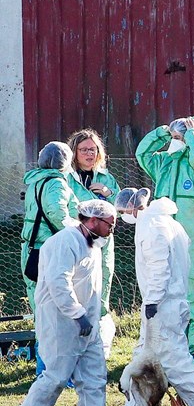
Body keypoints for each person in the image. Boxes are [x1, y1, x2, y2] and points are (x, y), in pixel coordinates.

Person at [2, 200, 130, 406]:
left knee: (94, 378)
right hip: (61, 322)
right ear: (93, 220)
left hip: (87, 323)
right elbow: (58, 283)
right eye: (109, 224)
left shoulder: (92, 242)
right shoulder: (64, 242)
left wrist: (88, 318)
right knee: (56, 377)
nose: (112, 229)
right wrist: (78, 314)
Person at [108, 188, 194, 406]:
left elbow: (159, 268)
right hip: (169, 302)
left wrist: (152, 301)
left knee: (174, 360)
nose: (122, 217)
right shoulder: (166, 222)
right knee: (142, 356)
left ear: (132, 208)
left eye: (122, 212)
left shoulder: (153, 228)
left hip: (162, 305)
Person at [136, 115, 194, 368]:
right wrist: (163, 132)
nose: (178, 139)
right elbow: (142, 154)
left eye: (183, 135)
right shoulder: (162, 162)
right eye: (177, 135)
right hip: (164, 236)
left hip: (193, 236)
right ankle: (169, 343)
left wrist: (193, 137)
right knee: (164, 285)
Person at [21, 142, 80, 376]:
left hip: (31, 248)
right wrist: (76, 235)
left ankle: (44, 367)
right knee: (54, 309)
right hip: (49, 248)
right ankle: (53, 369)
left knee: (40, 308)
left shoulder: (36, 181)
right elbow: (57, 213)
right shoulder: (56, 183)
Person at [66, 129, 121, 358]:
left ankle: (98, 349)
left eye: (93, 149)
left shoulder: (105, 177)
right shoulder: (67, 178)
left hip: (103, 244)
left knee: (101, 288)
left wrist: (108, 193)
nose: (89, 154)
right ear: (74, 153)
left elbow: (120, 205)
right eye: (84, 150)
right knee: (77, 288)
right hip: (78, 241)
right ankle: (72, 349)